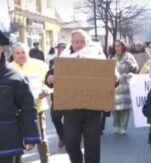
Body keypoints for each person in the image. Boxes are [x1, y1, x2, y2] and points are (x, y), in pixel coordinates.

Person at [46, 30, 109, 163]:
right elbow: (49, 77)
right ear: (72, 42)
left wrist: (115, 78)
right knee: (71, 143)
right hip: (71, 109)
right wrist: (50, 79)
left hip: (93, 109)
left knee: (92, 145)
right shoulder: (63, 58)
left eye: (82, 41)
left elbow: (111, 78)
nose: (79, 45)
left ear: (88, 42)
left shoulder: (98, 56)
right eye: (76, 42)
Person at [0, 40, 40, 163]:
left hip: (7, 139)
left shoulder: (14, 77)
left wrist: (30, 136)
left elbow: (28, 108)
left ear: (1, 49)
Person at [10, 43, 50, 163]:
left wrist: (47, 90)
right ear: (12, 54)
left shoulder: (40, 65)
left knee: (41, 139)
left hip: (37, 108)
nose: (21, 55)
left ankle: (45, 160)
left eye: (23, 52)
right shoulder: (8, 68)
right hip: (15, 111)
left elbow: (51, 83)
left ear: (28, 53)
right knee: (15, 141)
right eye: (18, 53)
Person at [112, 40, 138, 135]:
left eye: (119, 45)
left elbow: (136, 69)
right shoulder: (112, 57)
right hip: (115, 84)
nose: (117, 47)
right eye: (115, 46)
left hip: (126, 84)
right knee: (114, 107)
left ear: (123, 46)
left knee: (126, 108)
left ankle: (123, 126)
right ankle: (116, 124)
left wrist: (130, 65)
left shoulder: (129, 56)